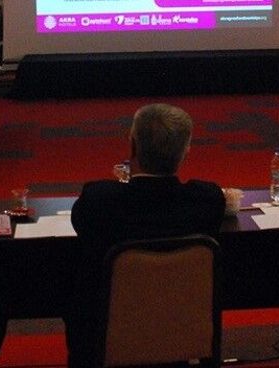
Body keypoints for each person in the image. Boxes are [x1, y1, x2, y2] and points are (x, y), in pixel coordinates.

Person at [68, 103, 225, 368]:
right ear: (185, 152)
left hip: (106, 340)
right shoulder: (207, 201)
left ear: (132, 146)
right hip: (181, 334)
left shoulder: (98, 201)